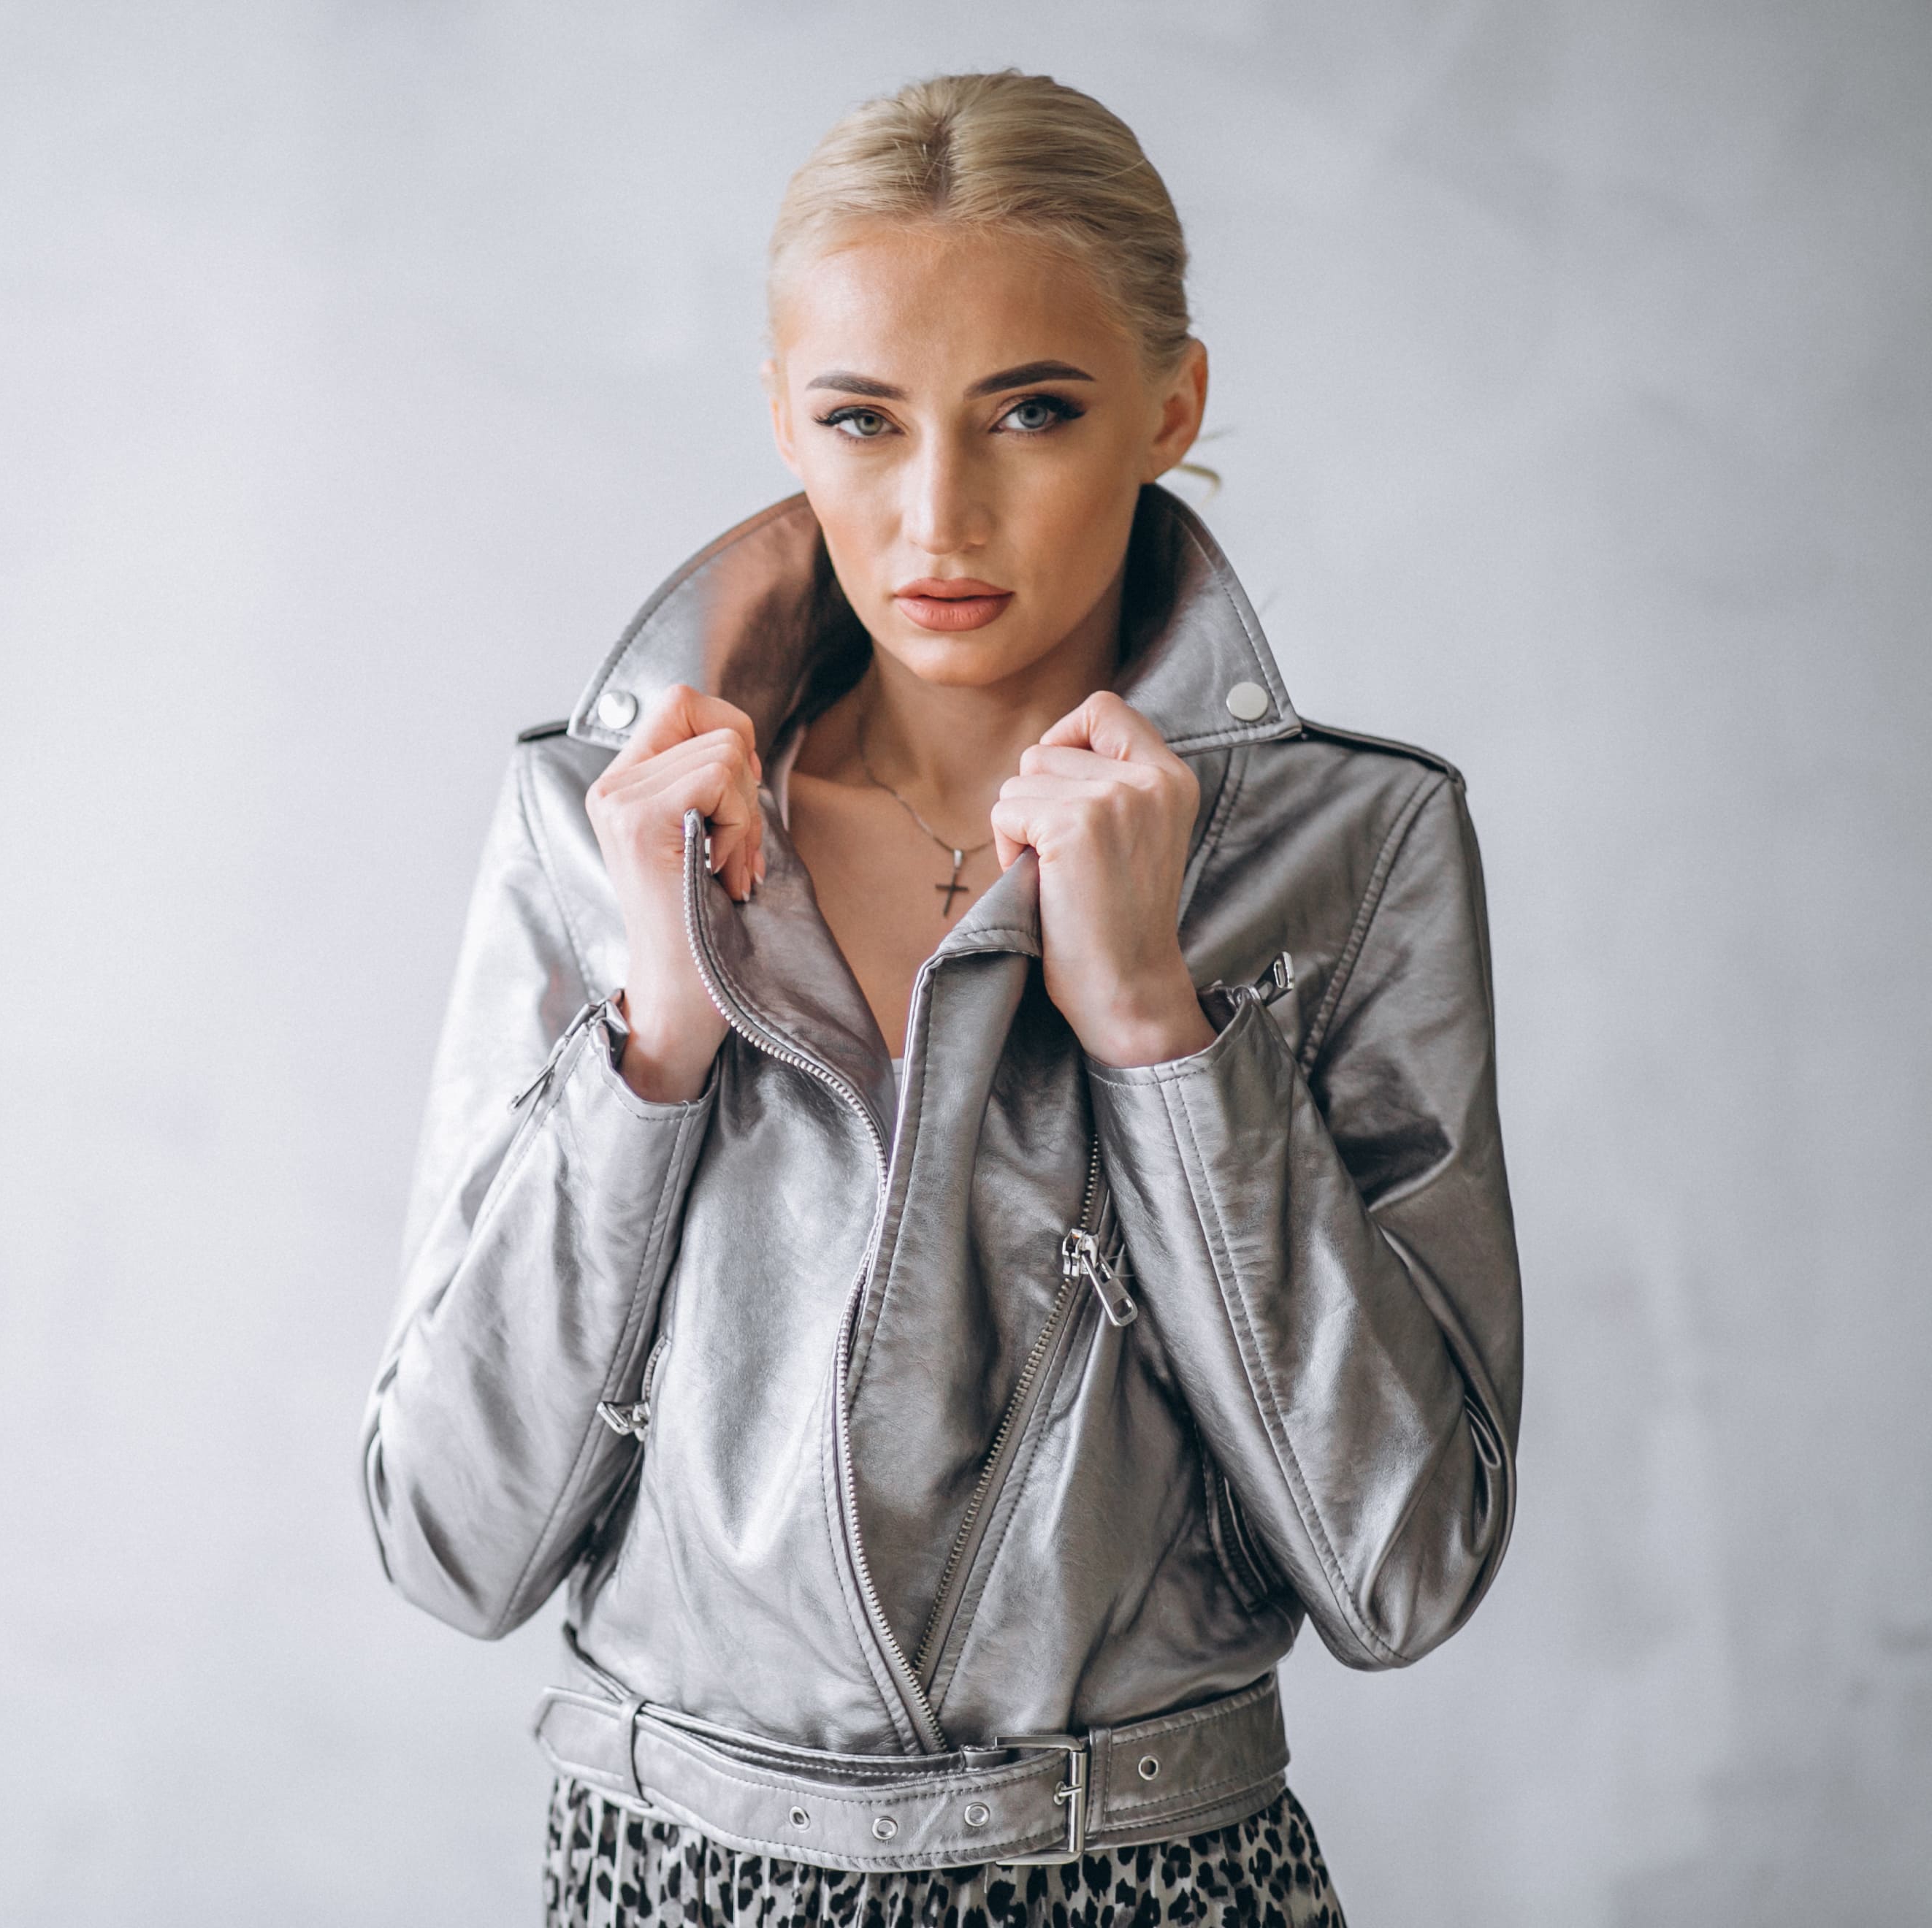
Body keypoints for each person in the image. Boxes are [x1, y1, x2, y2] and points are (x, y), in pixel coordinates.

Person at [362, 70, 1520, 1928]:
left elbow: (1405, 1570)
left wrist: (1157, 1025)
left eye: (1033, 413)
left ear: (1173, 405)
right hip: (668, 1880)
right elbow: (450, 1541)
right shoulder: (601, 829)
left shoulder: (1353, 847)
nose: (937, 511)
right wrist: (658, 1033)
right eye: (862, 420)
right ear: (783, 423)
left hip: (1153, 1876)